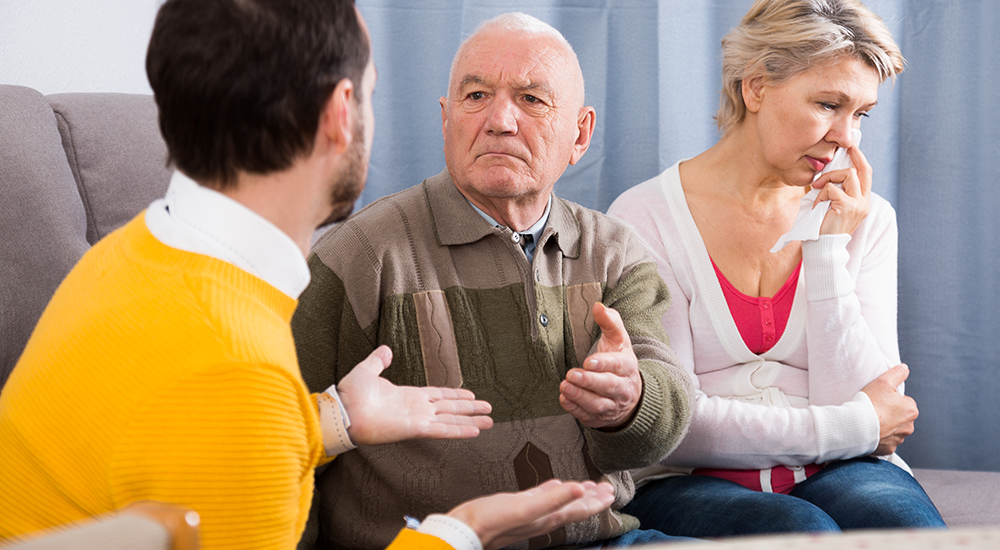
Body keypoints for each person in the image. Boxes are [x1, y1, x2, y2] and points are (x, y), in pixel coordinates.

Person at [0, 1, 620, 549]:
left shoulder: (131, 254)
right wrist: (464, 530)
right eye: (372, 93)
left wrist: (331, 419)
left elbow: (182, 443)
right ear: (339, 115)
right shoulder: (239, 372)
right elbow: (229, 414)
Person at [291, 12, 694, 550]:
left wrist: (629, 403)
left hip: (597, 540)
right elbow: (282, 443)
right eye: (476, 96)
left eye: (532, 99)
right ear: (445, 120)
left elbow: (660, 428)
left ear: (580, 133)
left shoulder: (615, 253)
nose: (500, 120)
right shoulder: (358, 255)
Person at [607, 0, 946, 537]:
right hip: (684, 478)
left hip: (846, 467)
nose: (848, 137)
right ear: (756, 87)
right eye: (828, 104)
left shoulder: (866, 218)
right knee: (801, 533)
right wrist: (855, 424)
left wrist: (829, 255)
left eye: (860, 113)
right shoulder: (644, 217)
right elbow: (675, 425)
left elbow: (877, 406)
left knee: (907, 532)